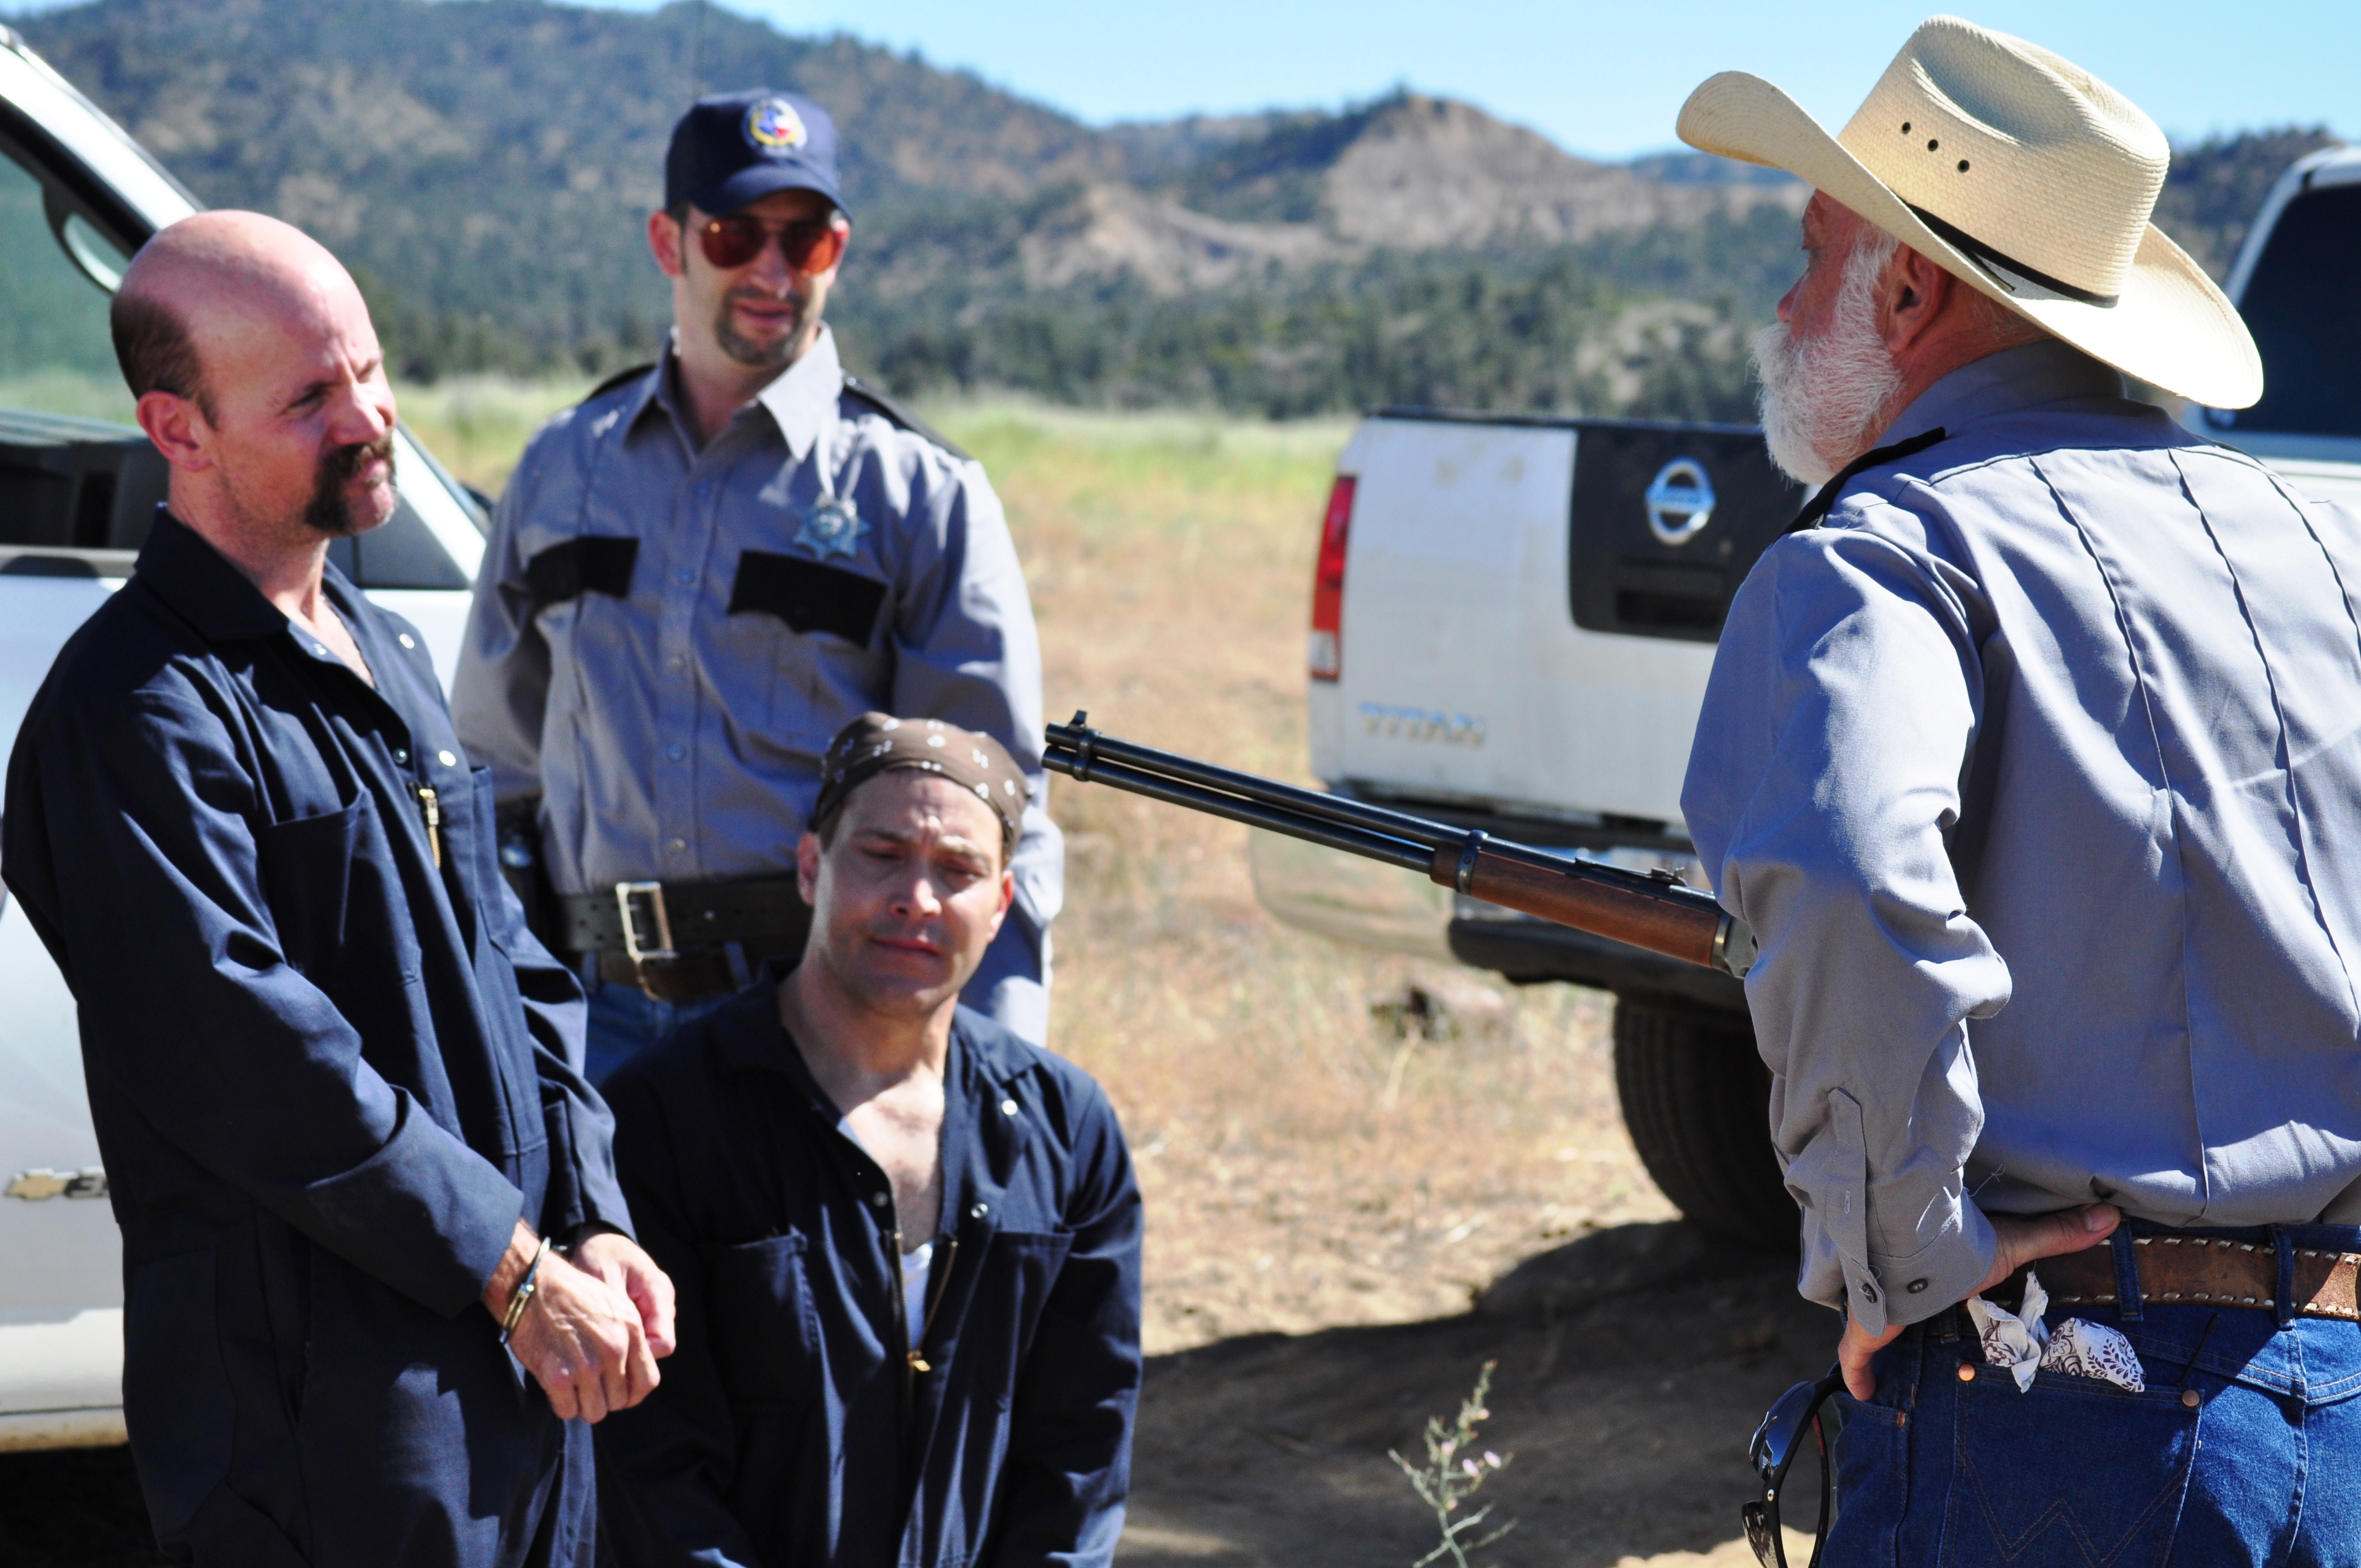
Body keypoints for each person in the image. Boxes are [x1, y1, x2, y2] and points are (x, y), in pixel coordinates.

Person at [1674, 17, 2361, 1561]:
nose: (1783, 306)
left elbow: (1849, 883)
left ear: (1909, 288)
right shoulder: (2330, 548)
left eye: (1812, 251)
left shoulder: (1876, 558)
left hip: (2056, 1401)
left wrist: (1893, 1257)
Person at [1, 211, 676, 1566]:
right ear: (177, 428)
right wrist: (515, 1265)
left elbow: (512, 957)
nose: (367, 417)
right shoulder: (136, 711)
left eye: (368, 370)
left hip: (505, 1373)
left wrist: (589, 1213)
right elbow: (254, 1058)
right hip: (323, 1417)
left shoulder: (376, 650)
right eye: (310, 396)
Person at [453, 90, 1060, 1082]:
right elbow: (494, 778)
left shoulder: (919, 493)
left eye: (807, 240)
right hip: (585, 1025)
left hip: (816, 1026)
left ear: (839, 251)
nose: (772, 271)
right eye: (737, 235)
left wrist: (994, 1079)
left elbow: (995, 816)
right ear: (670, 241)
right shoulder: (564, 468)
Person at [594, 713, 1141, 1568]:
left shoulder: (1066, 1134)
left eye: (958, 871)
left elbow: (1080, 1456)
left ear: (1001, 905)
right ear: (811, 867)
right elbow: (646, 1469)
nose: (917, 898)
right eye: (882, 854)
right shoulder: (663, 1118)